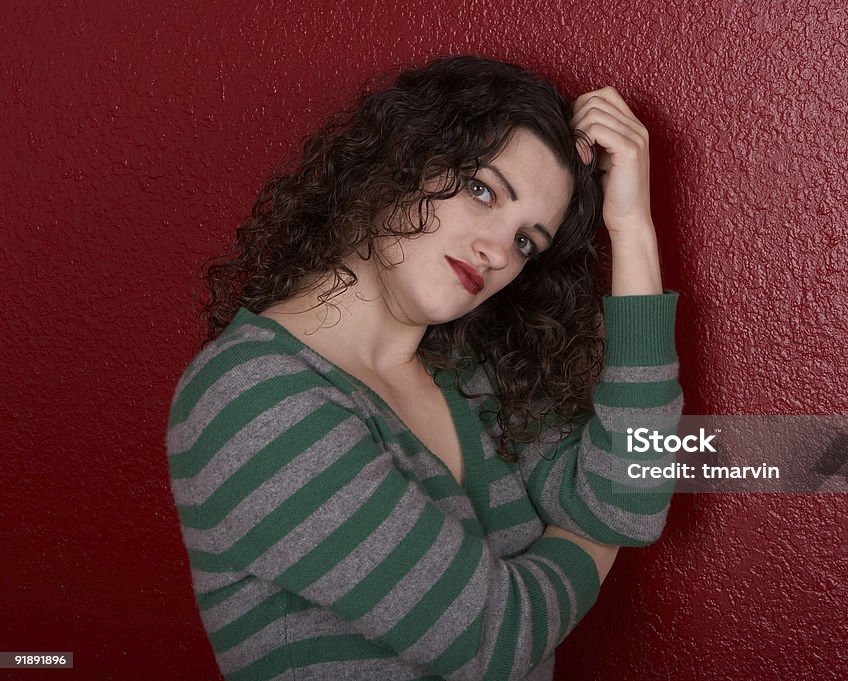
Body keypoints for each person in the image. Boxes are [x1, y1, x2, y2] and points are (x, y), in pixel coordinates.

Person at [167, 55, 682, 681]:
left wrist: (632, 230)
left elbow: (634, 494)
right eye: (482, 190)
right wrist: (595, 536)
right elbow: (497, 640)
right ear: (401, 160)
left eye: (527, 241)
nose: (496, 251)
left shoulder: (475, 376)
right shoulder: (248, 398)